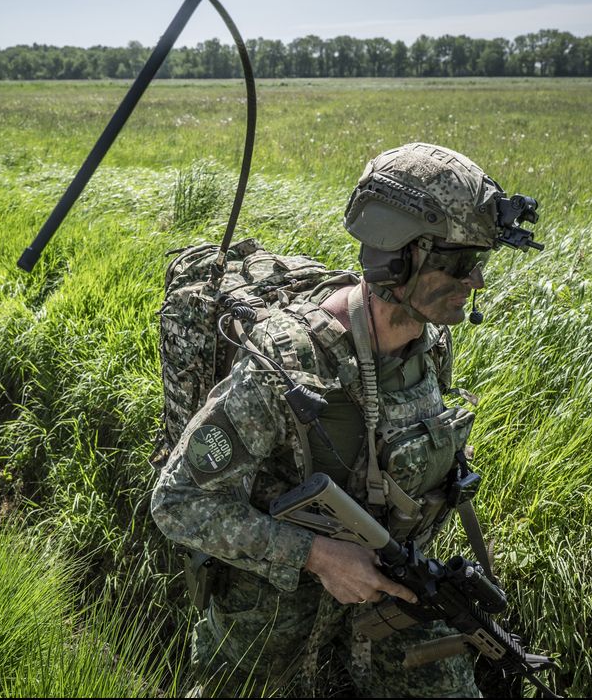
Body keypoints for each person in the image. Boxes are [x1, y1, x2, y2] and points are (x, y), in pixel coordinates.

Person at [151, 142, 544, 697]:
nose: (475, 281)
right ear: (397, 258)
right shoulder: (289, 362)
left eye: (479, 263)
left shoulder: (430, 345)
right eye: (458, 263)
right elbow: (179, 503)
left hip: (389, 598)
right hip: (270, 624)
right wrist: (317, 557)